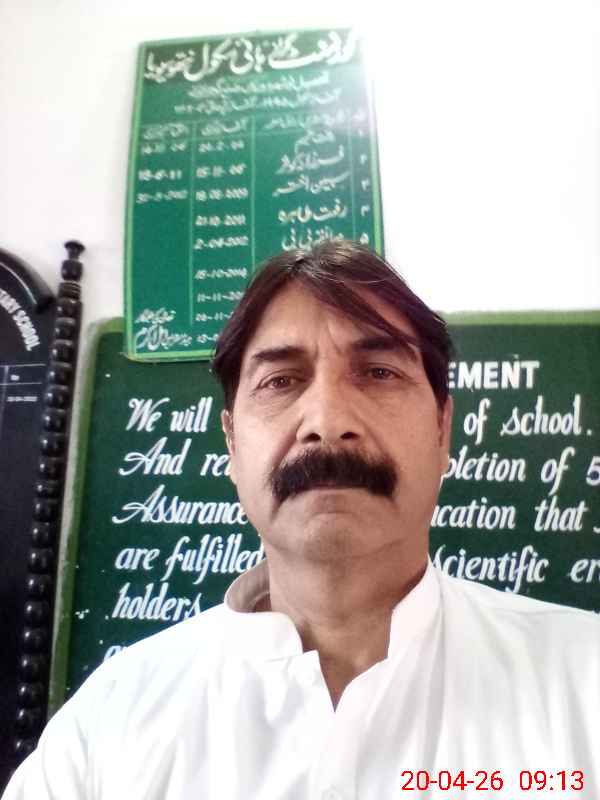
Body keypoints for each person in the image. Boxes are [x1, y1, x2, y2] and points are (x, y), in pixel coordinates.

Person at [4, 241, 599, 799]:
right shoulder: (105, 731)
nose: (328, 421)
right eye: (280, 381)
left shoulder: (583, 681)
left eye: (379, 373)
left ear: (443, 429)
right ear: (232, 443)